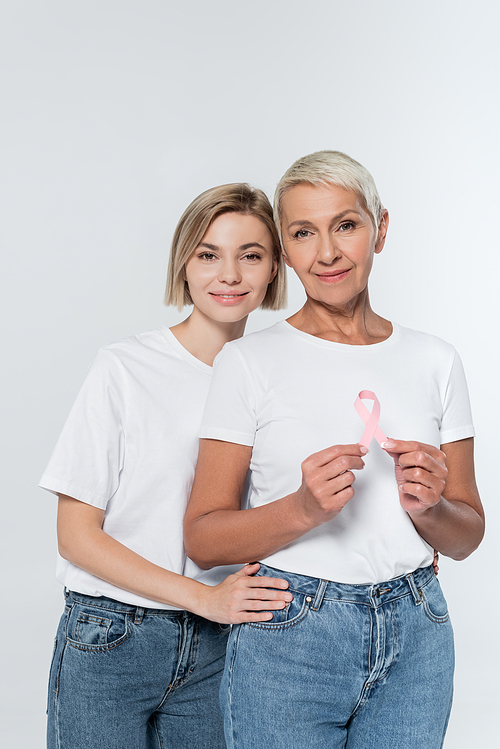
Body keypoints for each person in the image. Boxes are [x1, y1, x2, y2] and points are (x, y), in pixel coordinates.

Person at [184, 152, 485, 749]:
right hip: (288, 636)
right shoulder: (248, 363)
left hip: (416, 635)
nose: (327, 252)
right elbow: (203, 535)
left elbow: (468, 535)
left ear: (381, 228)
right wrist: (302, 509)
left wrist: (430, 510)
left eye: (346, 225)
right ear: (285, 249)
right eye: (302, 233)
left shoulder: (437, 361)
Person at [39, 183, 291, 749]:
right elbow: (75, 536)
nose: (229, 274)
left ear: (274, 268)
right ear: (184, 264)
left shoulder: (277, 378)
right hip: (112, 635)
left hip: (221, 643)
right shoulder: (125, 369)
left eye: (250, 255)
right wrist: (200, 596)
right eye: (208, 254)